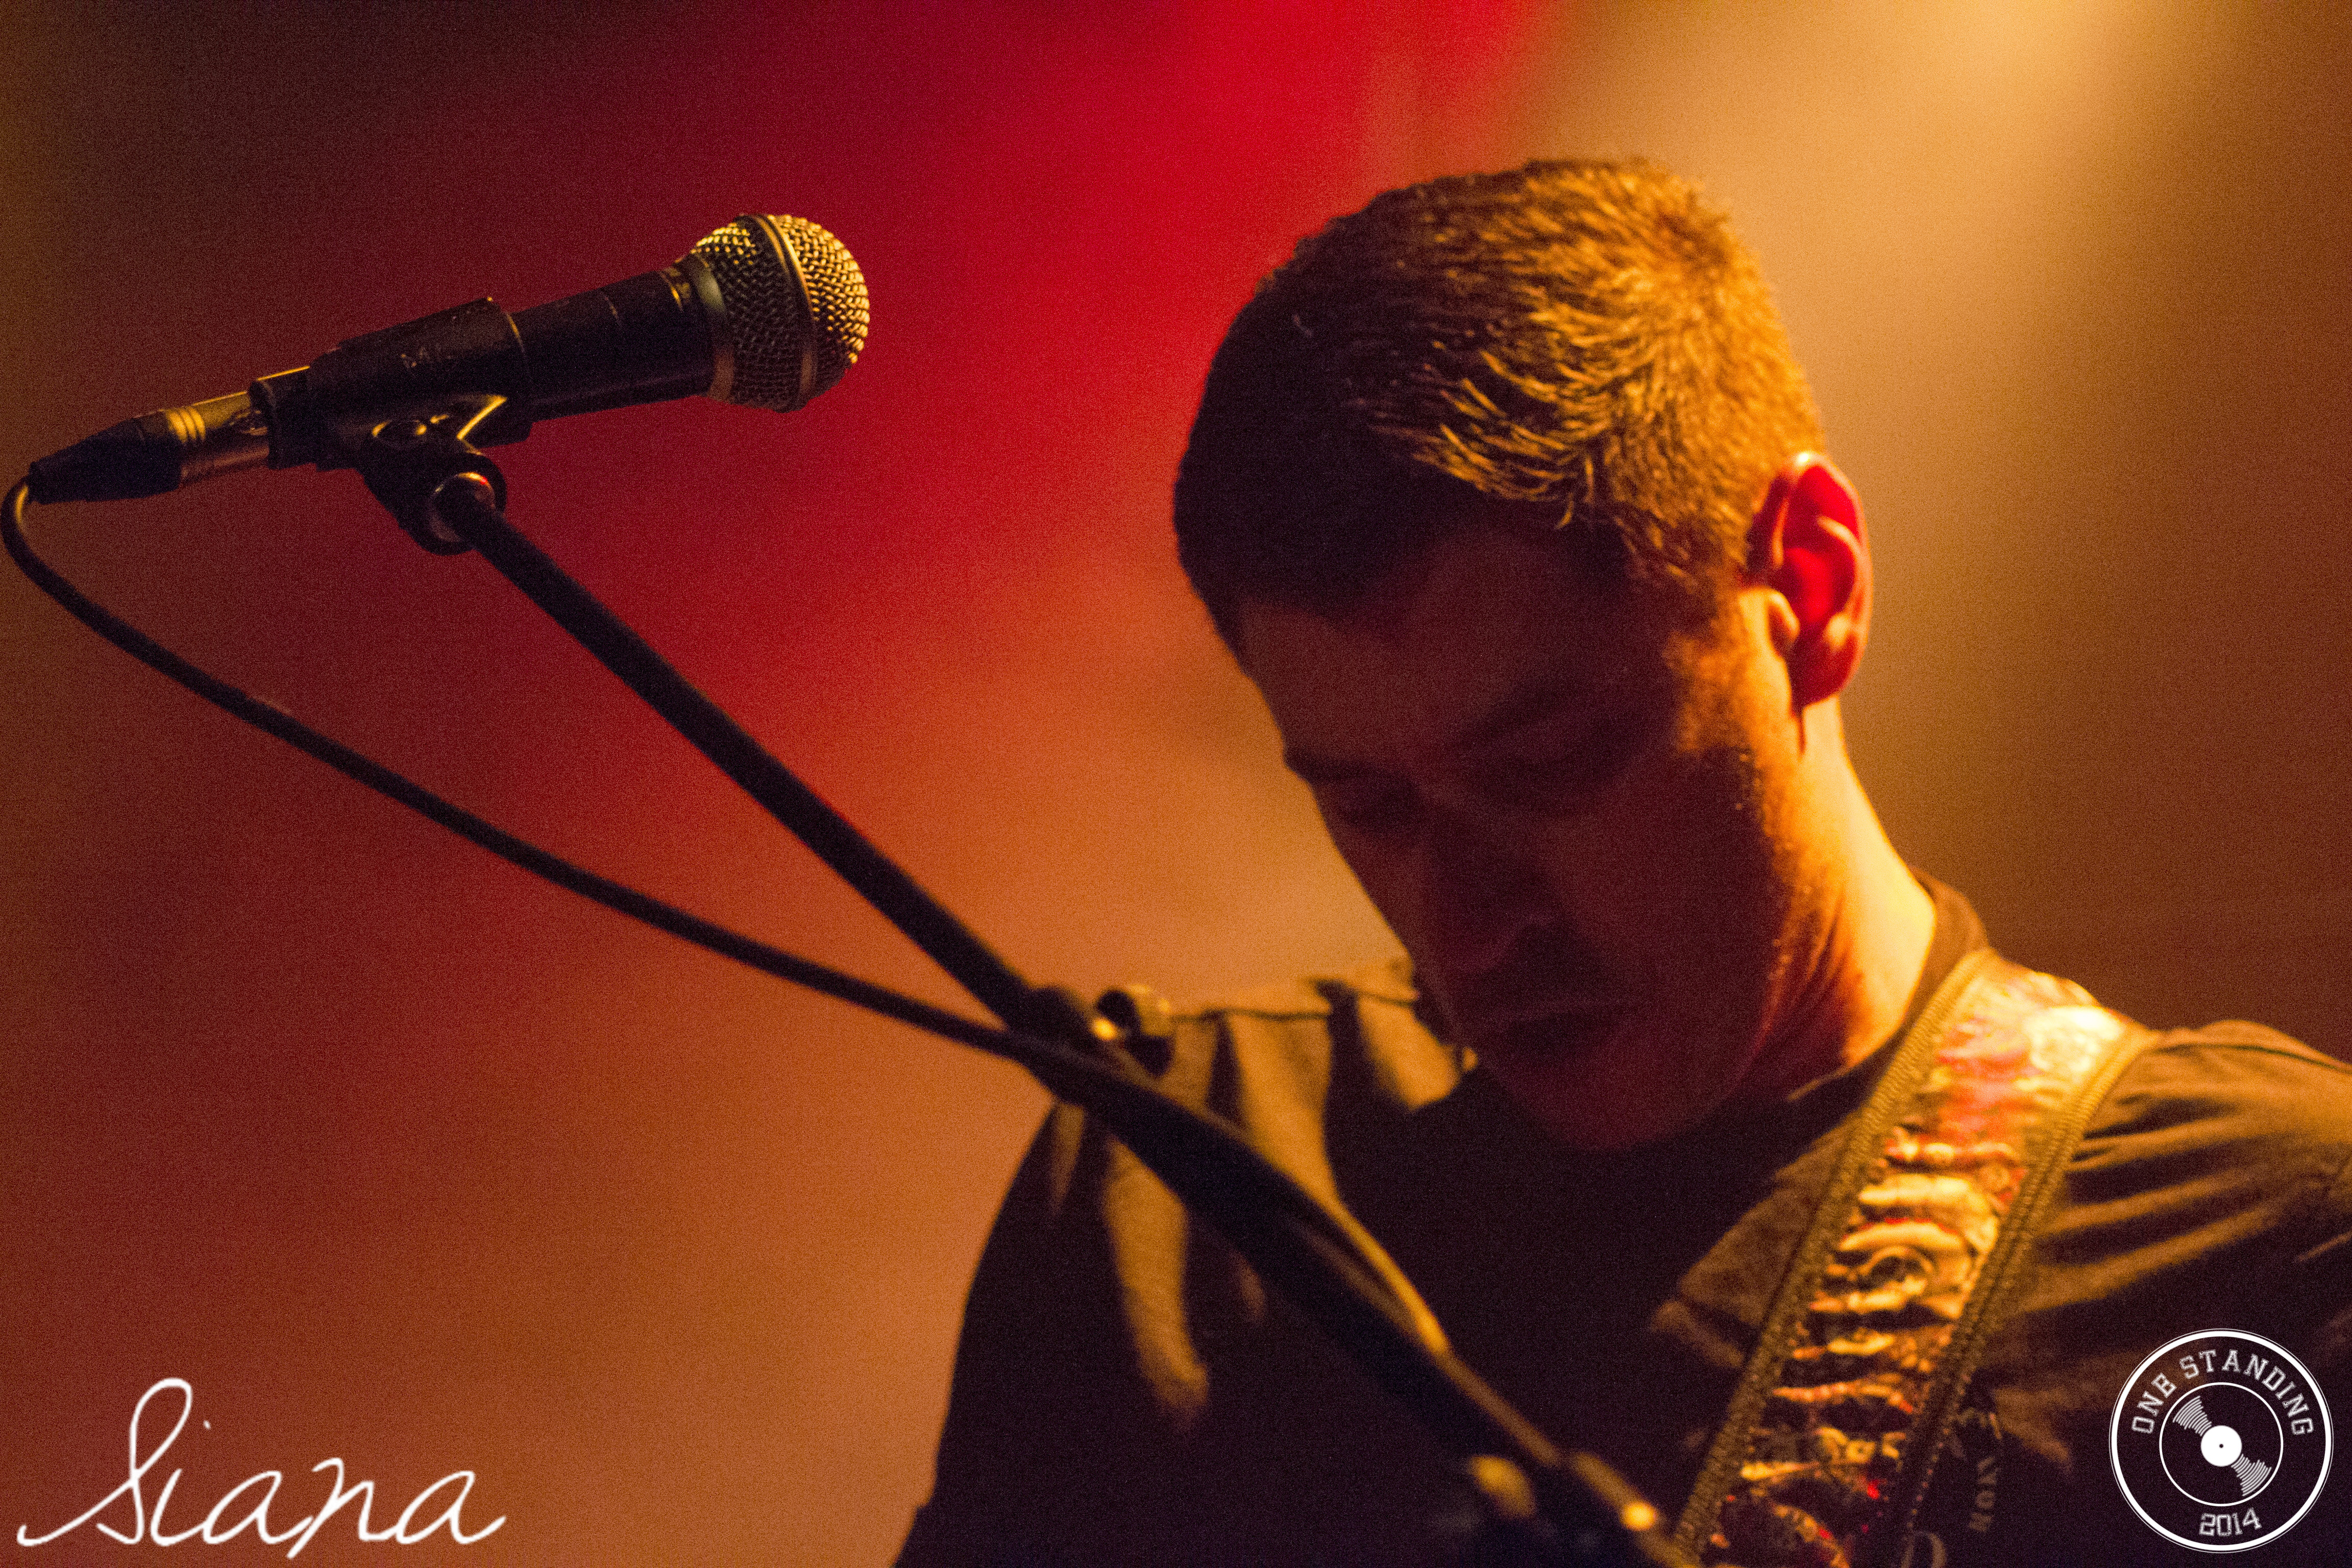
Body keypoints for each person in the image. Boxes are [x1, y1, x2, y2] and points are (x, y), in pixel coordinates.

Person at [896, 160, 2352, 1566]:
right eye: (1371, 810)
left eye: (1546, 769)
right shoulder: (1185, 1190)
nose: (1465, 926)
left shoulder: (2281, 1243)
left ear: (1812, 590)